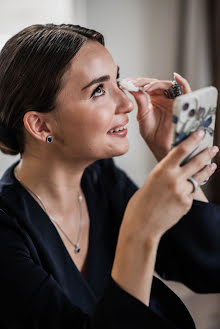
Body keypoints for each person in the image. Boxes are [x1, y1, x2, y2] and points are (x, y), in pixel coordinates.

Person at [0, 23, 219, 329]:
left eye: (117, 80)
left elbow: (210, 267)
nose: (128, 103)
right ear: (41, 126)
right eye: (99, 90)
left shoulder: (101, 180)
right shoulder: (7, 232)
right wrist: (139, 233)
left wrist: (177, 158)